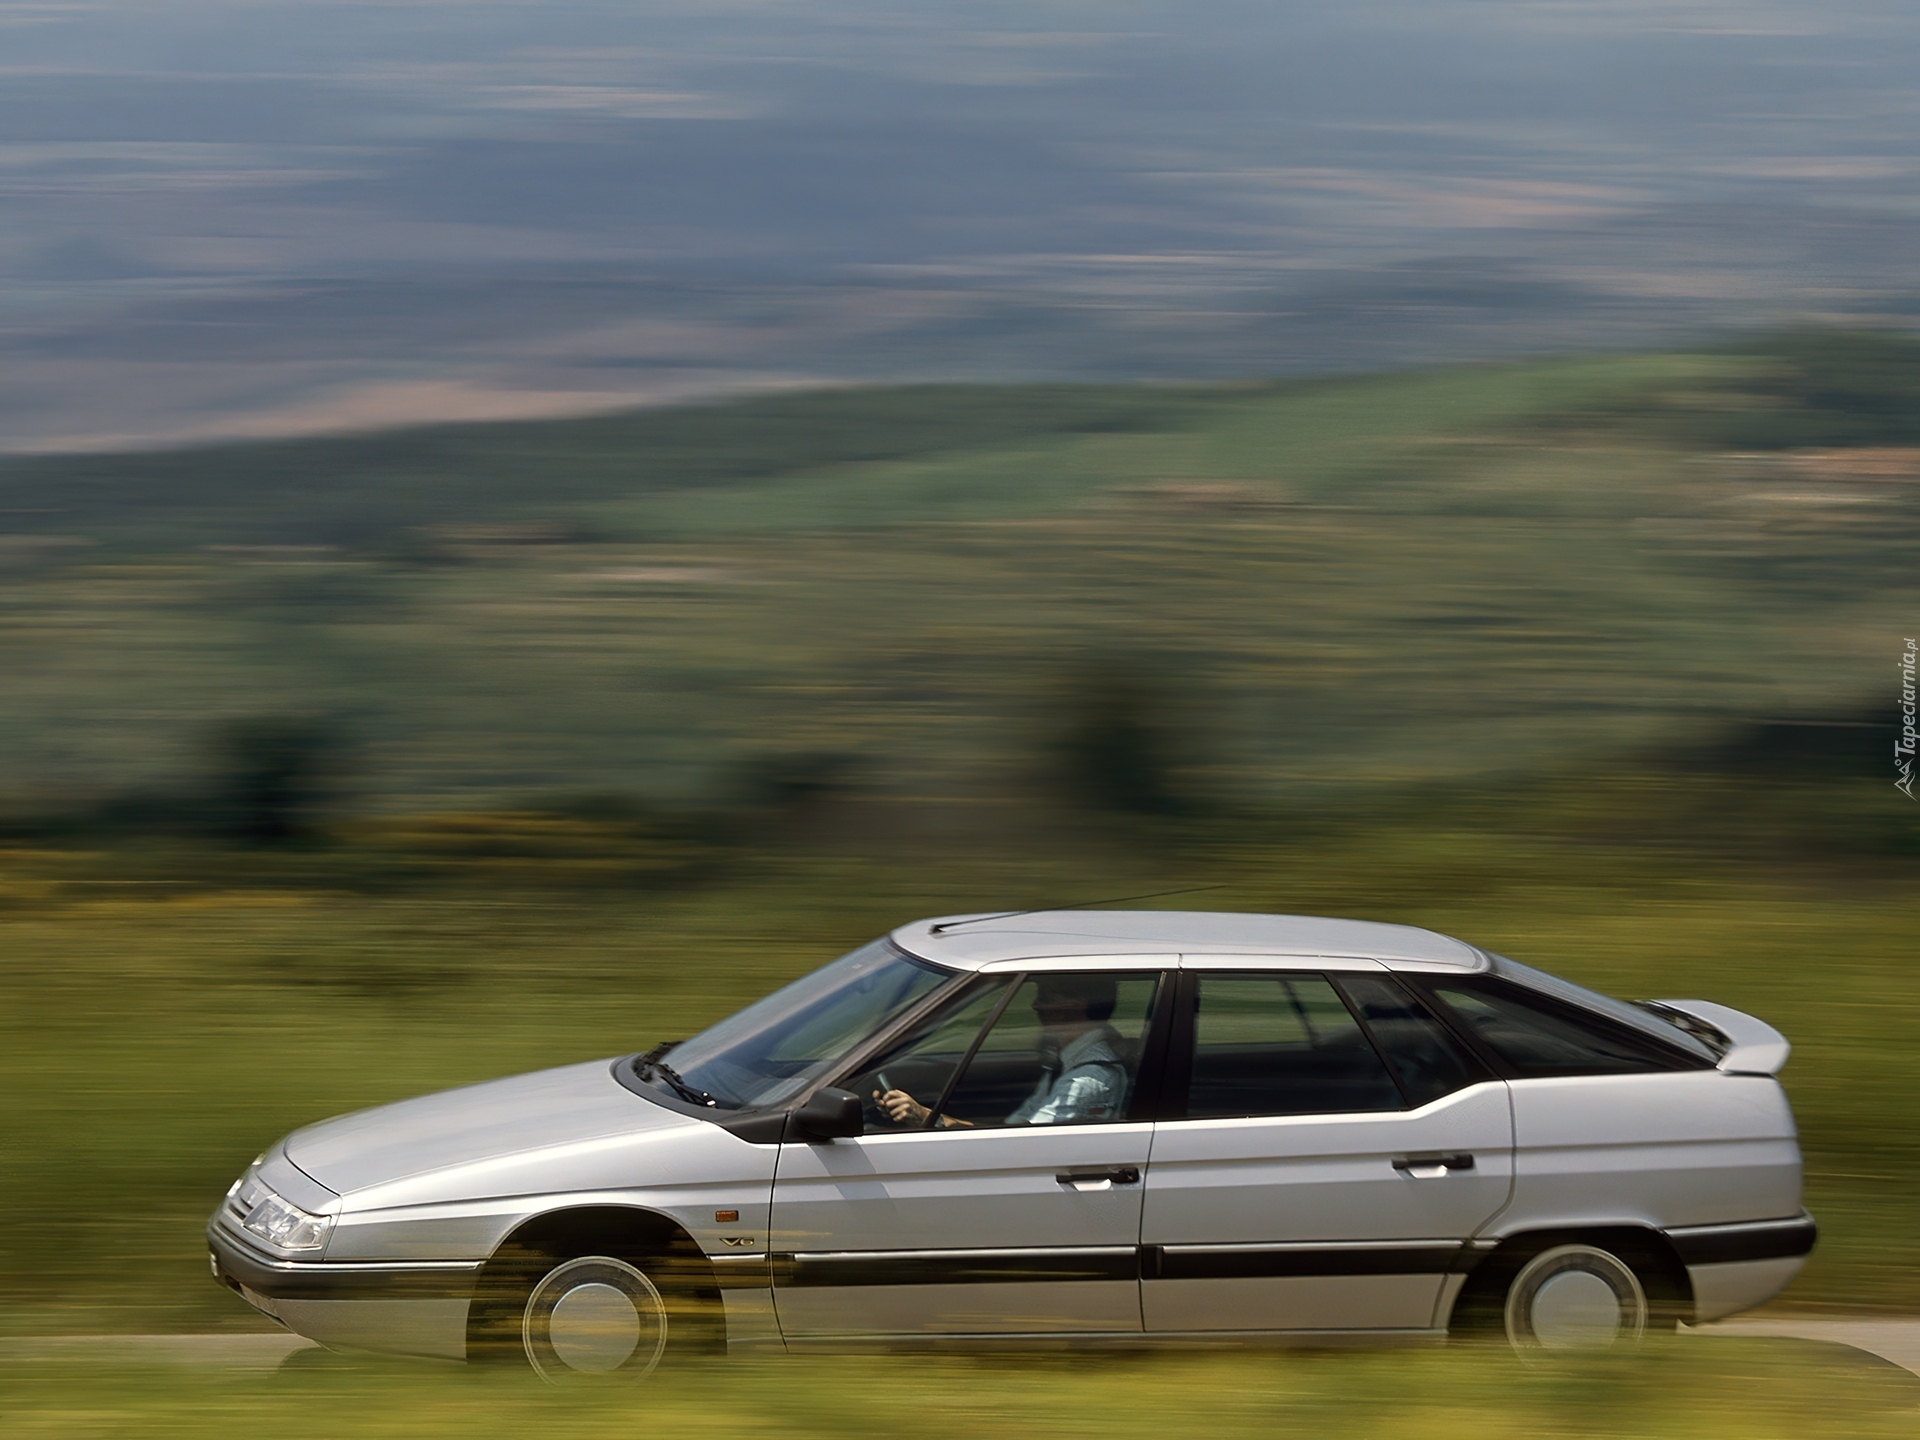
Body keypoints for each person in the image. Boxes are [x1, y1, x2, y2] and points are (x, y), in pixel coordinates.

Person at [875, 975, 1130, 1129]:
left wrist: (927, 1117)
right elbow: (1012, 1130)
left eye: (1046, 996)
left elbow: (1019, 1147)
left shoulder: (1086, 1080)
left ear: (1077, 1005)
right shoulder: (1065, 1064)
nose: (1035, 1005)